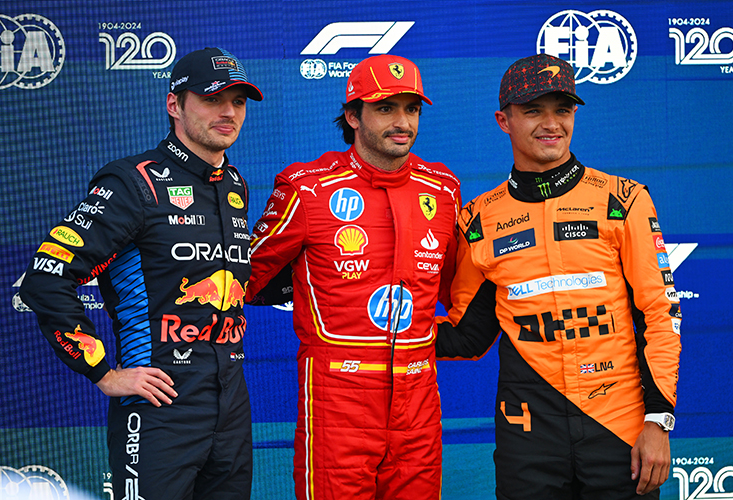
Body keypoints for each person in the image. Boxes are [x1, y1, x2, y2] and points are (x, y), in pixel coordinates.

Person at [20, 47, 263, 500]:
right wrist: (105, 374)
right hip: (158, 406)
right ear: (175, 105)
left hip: (231, 403)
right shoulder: (132, 182)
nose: (229, 112)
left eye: (238, 101)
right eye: (212, 99)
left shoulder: (234, 185)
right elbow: (47, 278)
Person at [436, 53, 681, 499]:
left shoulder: (623, 200)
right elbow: (467, 334)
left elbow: (659, 313)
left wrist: (658, 420)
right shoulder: (477, 218)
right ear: (503, 120)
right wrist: (369, 318)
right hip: (528, 429)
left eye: (562, 110)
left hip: (619, 424)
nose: (551, 124)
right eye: (533, 110)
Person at [245, 55, 460, 499]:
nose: (403, 122)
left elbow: (461, 286)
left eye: (412, 109)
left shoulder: (442, 188)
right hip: (337, 398)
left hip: (418, 397)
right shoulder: (307, 187)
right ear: (352, 116)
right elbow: (247, 275)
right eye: (386, 108)